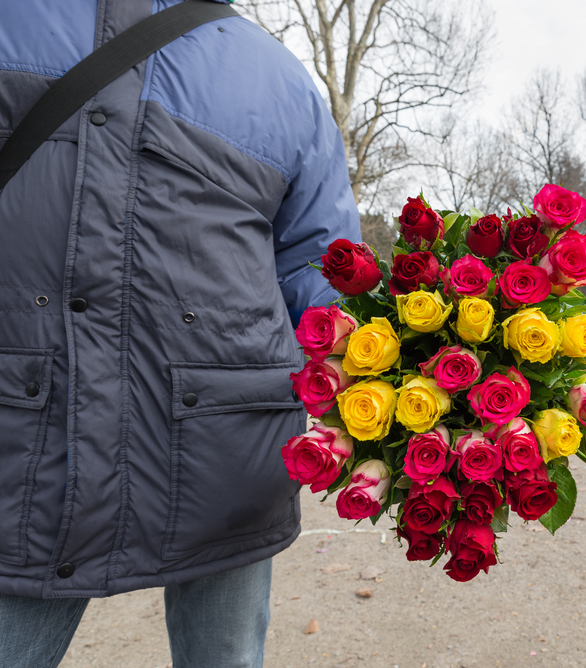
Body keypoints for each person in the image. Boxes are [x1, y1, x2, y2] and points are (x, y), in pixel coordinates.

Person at [0, 2, 360, 667]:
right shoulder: (279, 73)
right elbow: (325, 278)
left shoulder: (276, 75)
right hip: (212, 435)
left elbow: (325, 273)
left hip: (191, 446)